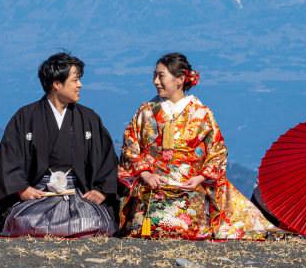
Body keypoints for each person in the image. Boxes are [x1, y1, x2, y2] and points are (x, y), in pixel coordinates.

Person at [118, 52, 275, 239]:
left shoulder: (201, 113)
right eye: (154, 75)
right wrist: (145, 174)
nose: (155, 82)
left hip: (188, 186)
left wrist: (200, 178)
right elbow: (130, 146)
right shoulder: (145, 111)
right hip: (151, 185)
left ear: (180, 79)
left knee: (183, 226)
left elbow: (217, 151)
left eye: (161, 76)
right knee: (147, 224)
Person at [0, 52, 119, 237]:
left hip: (78, 194)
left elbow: (107, 158)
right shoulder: (26, 116)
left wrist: (101, 190)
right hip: (39, 194)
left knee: (95, 221)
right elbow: (8, 156)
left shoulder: (89, 118)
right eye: (75, 80)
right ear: (56, 83)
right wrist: (22, 188)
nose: (80, 85)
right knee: (24, 222)